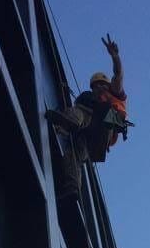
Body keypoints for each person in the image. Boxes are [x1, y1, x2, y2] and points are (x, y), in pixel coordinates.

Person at [46, 35, 129, 195]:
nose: (98, 88)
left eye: (101, 85)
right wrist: (59, 129)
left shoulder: (114, 92)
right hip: (94, 136)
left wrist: (115, 56)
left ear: (107, 85)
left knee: (80, 111)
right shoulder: (89, 98)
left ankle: (69, 121)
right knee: (75, 153)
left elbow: (118, 74)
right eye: (95, 86)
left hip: (106, 122)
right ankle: (73, 188)